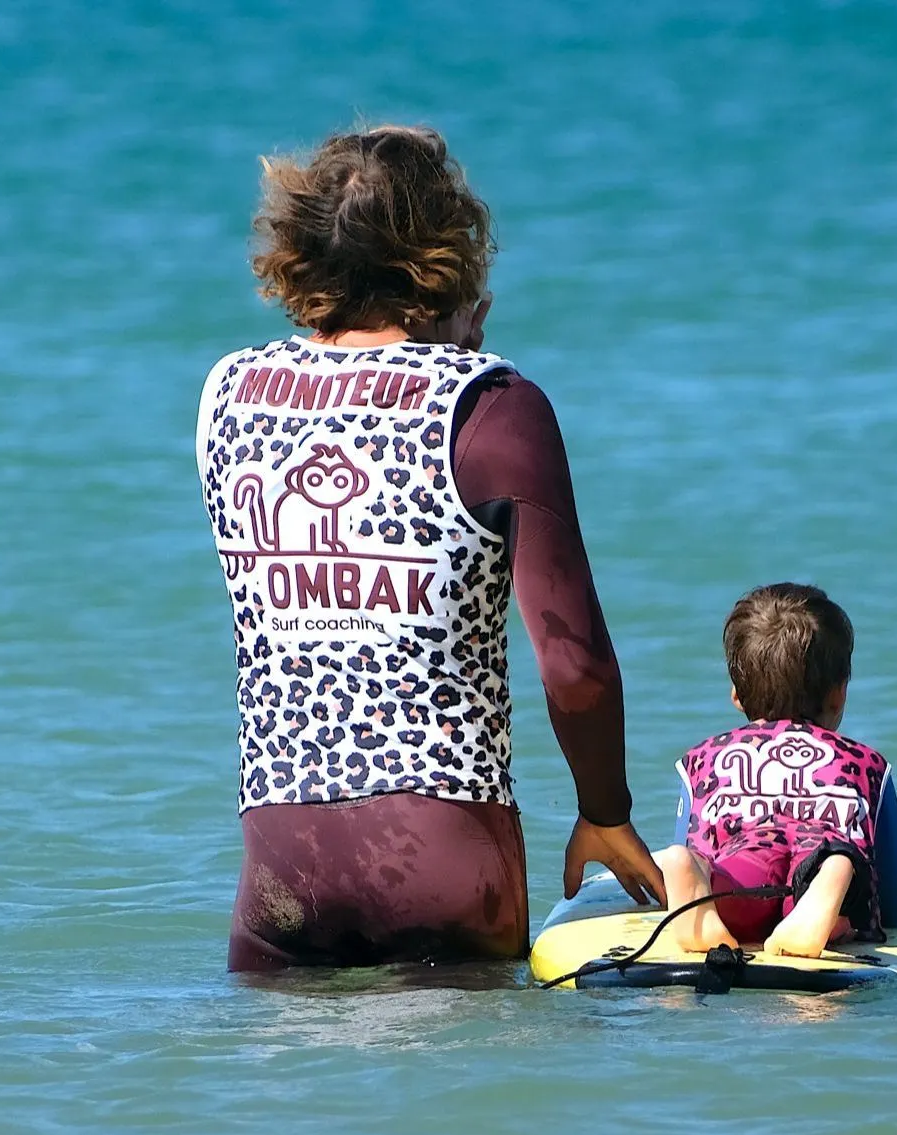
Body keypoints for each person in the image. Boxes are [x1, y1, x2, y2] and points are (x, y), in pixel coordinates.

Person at [196, 124, 664, 971]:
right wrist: (605, 810)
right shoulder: (493, 402)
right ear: (451, 257)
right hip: (446, 854)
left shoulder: (228, 392)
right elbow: (574, 663)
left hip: (280, 865)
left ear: (299, 252)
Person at [654, 584, 897, 959]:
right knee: (842, 867)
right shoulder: (865, 763)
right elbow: (893, 899)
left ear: (736, 696)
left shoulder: (703, 759)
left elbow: (696, 837)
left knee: (708, 869)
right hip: (813, 875)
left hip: (740, 883)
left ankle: (688, 877)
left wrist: (694, 864)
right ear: (839, 694)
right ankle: (833, 877)